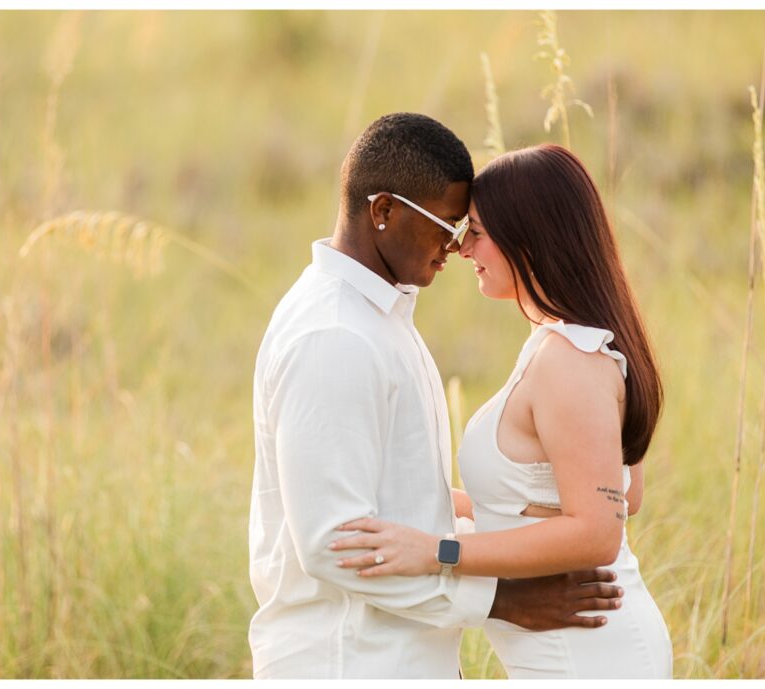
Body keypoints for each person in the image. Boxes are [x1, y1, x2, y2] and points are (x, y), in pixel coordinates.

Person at [249, 116, 624, 679]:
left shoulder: (381, 317)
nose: (457, 247)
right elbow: (334, 545)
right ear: (383, 211)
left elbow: (402, 498)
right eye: (447, 226)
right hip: (349, 663)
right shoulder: (334, 337)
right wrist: (503, 601)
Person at [331, 144, 673, 678]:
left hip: (586, 657)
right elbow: (609, 494)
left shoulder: (571, 361)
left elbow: (599, 531)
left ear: (529, 240)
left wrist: (436, 551)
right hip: (580, 650)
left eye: (478, 232)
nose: (463, 249)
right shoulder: (560, 343)